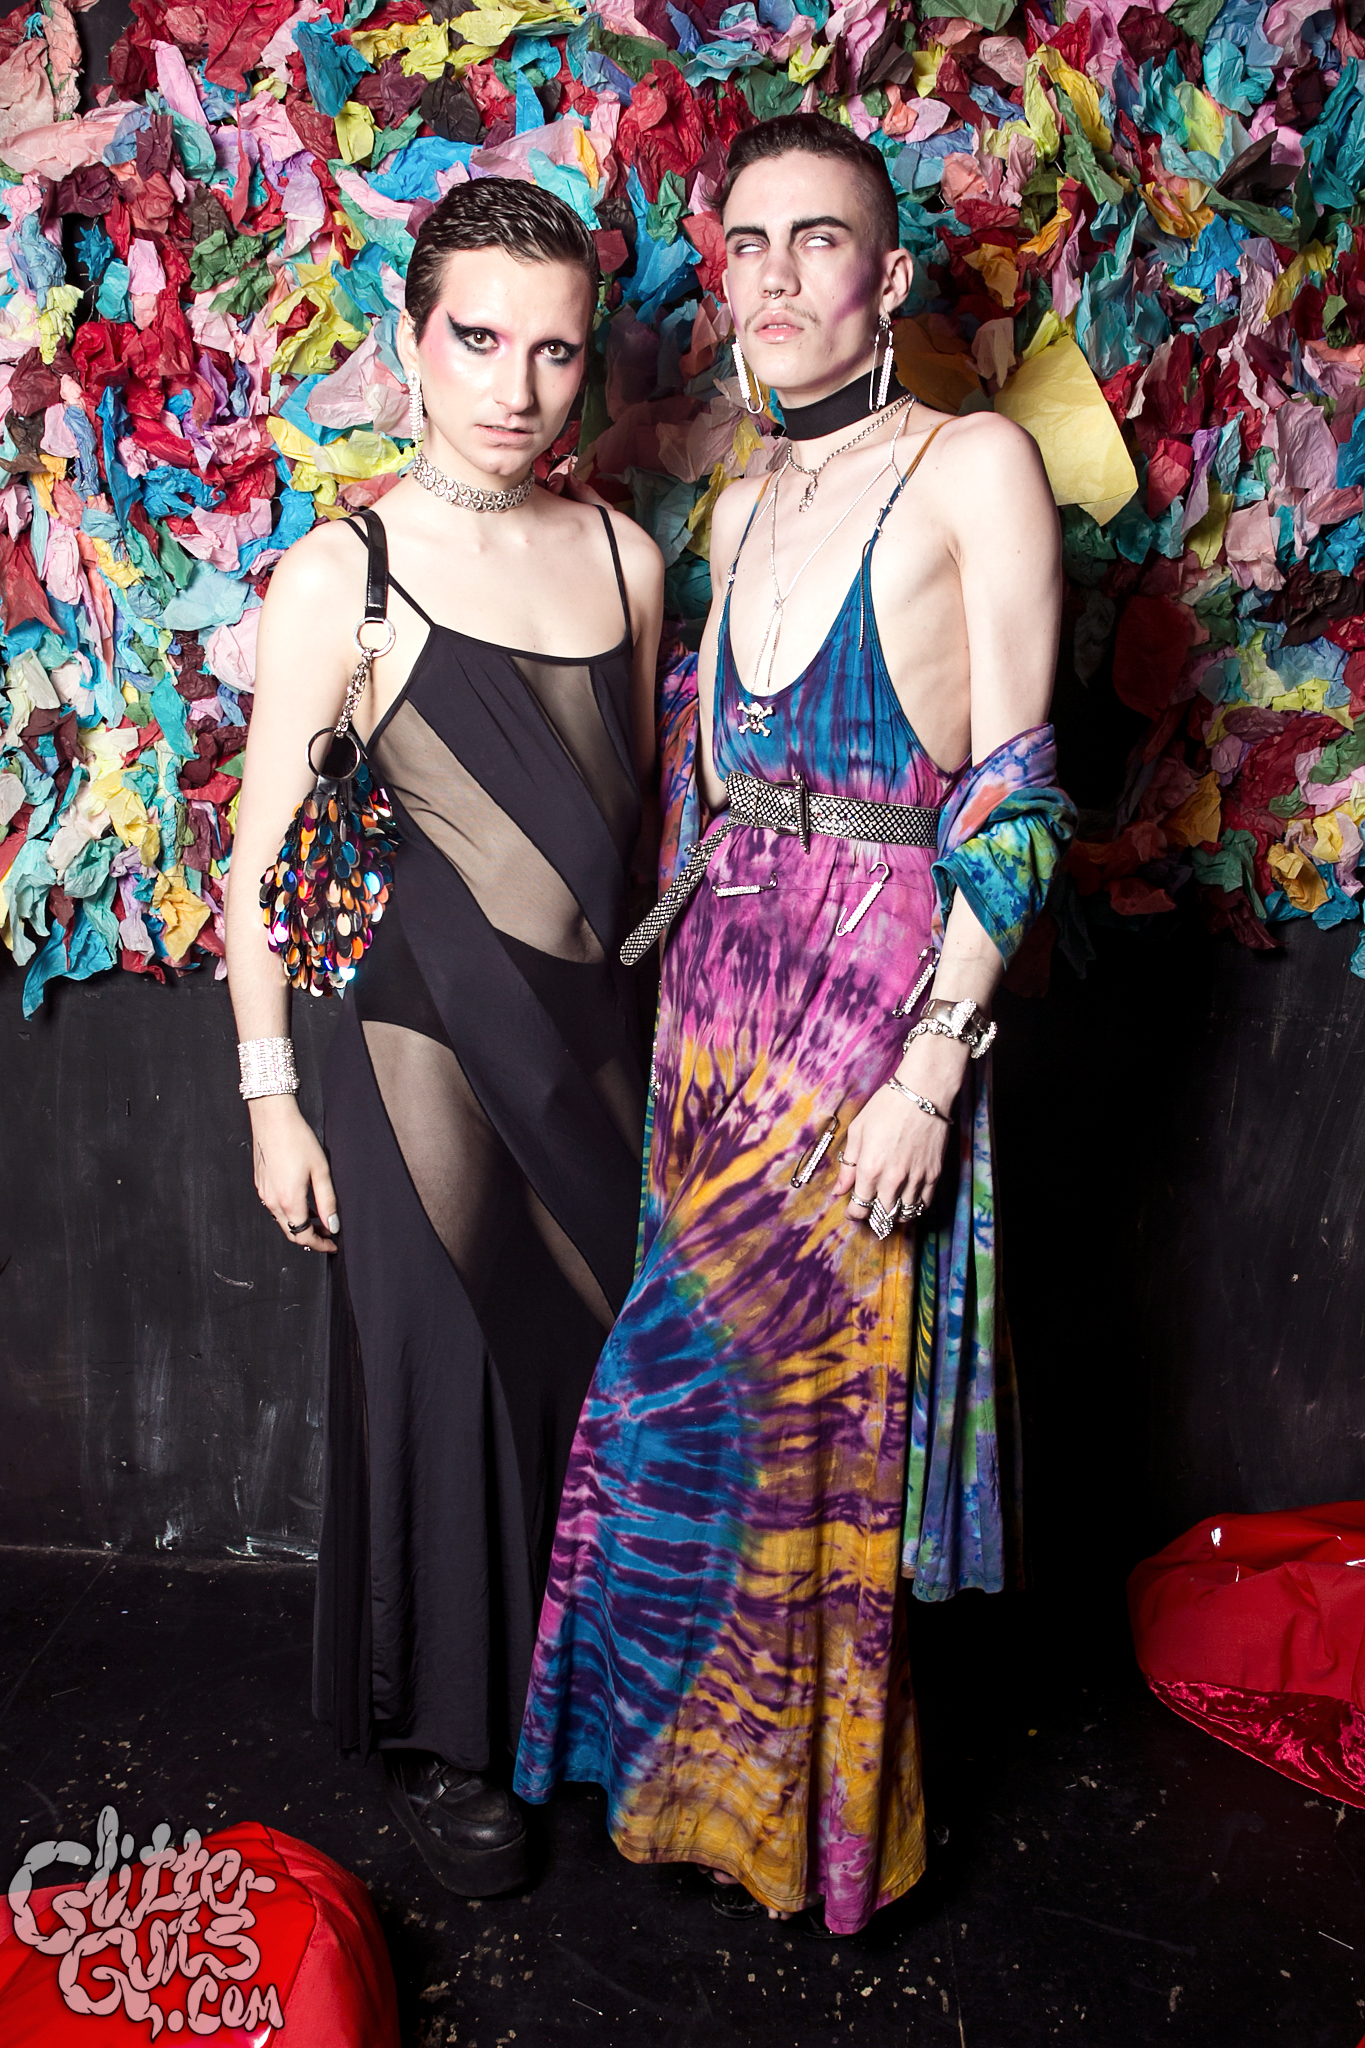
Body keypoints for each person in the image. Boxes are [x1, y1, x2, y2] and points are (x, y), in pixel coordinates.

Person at [514, 114, 1075, 1934]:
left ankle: (816, 1847)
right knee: (681, 1417)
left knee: (820, 1440)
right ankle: (694, 1809)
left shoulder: (972, 464)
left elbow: (1016, 794)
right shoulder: (743, 501)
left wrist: (936, 1065)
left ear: (887, 277)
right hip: (712, 1020)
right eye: (743, 241)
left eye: (814, 238)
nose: (770, 273)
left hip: (866, 1027)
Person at [225, 178, 663, 1897]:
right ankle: (455, 1740)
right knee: (449, 1380)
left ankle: (589, 1711)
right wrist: (270, 1100)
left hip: (593, 1050)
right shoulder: (344, 567)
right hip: (407, 1046)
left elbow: (619, 833)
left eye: (553, 351)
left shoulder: (627, 557)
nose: (515, 386)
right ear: (410, 344)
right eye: (478, 340)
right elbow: (261, 862)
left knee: (593, 1378)